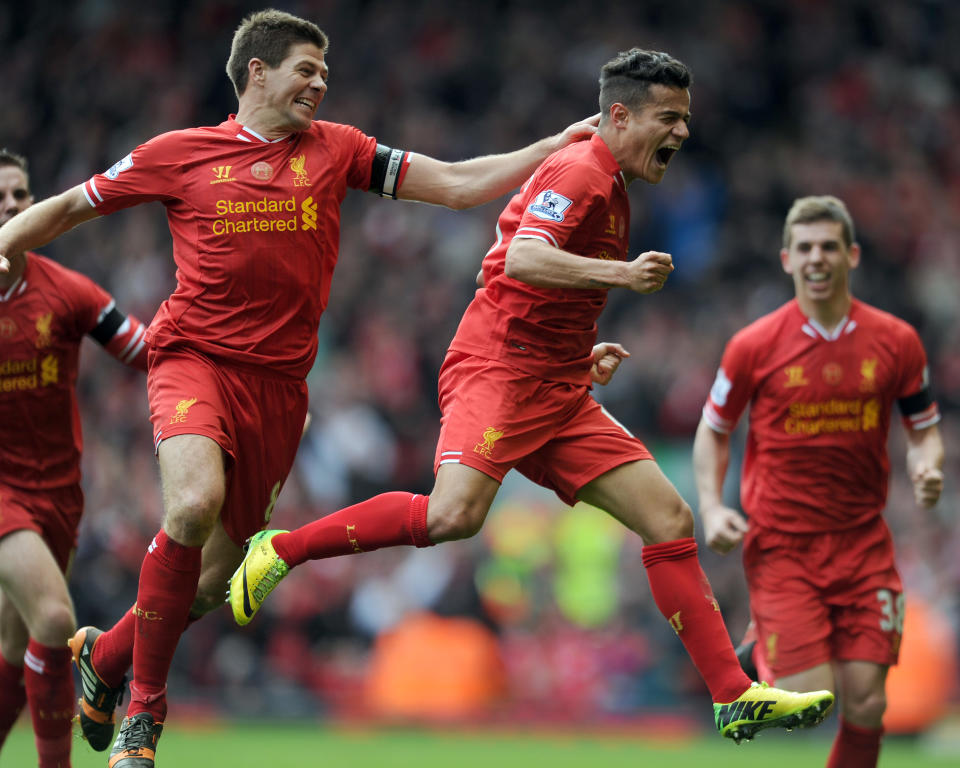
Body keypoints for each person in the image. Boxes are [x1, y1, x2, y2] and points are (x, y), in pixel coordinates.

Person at [0, 8, 607, 767]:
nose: (321, 83)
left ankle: (109, 657)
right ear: (258, 71)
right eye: (307, 69)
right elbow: (68, 207)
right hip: (193, 358)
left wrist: (551, 147)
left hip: (282, 388)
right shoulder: (178, 154)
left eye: (326, 73)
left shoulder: (339, 150)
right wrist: (4, 243)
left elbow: (454, 186)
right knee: (190, 506)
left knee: (206, 585)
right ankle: (144, 716)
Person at [230, 48, 835, 744]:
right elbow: (523, 257)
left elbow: (539, 287)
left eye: (687, 119)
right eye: (669, 117)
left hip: (557, 382)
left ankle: (732, 694)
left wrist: (581, 353)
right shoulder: (581, 170)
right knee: (454, 515)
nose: (683, 133)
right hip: (497, 371)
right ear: (618, 115)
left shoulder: (612, 185)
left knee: (668, 516)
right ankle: (283, 550)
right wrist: (622, 276)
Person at [692, 195, 944, 768]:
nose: (817, 258)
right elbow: (713, 431)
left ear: (851, 255)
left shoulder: (897, 341)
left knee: (868, 703)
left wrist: (927, 465)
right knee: (811, 702)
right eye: (805, 247)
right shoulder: (753, 346)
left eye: (829, 246)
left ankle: (764, 657)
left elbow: (923, 429)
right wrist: (710, 506)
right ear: (786, 259)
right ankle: (754, 664)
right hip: (784, 547)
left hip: (863, 545)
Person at [0, 149, 149, 768]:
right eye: (0, 198)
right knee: (57, 618)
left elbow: (146, 351)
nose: (12, 207)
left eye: (21, 195)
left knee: (15, 647)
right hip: (3, 493)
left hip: (59, 495)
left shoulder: (67, 293)